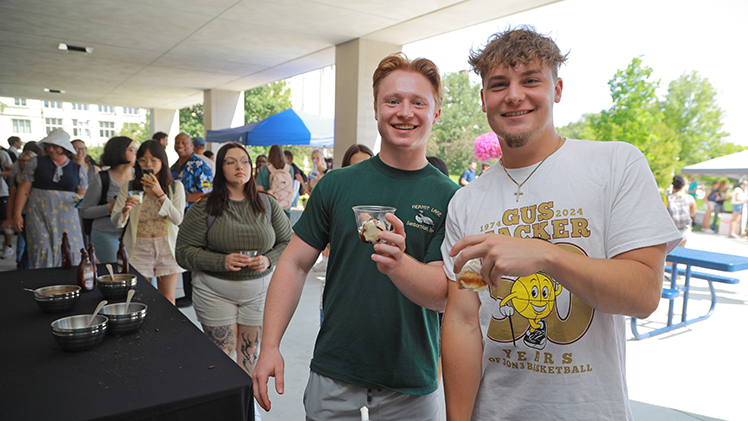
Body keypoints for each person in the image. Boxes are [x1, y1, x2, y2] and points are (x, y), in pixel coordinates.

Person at [439, 27, 682, 421]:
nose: (514, 95)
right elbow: (464, 320)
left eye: (531, 80)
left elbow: (643, 295)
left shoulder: (616, 164)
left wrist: (547, 256)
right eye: (499, 84)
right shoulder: (467, 201)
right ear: (484, 100)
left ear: (557, 89)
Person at [253, 52, 458, 420]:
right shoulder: (336, 184)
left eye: (418, 102)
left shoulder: (451, 197)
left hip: (410, 375)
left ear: (436, 113)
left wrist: (398, 265)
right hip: (335, 365)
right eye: (392, 100)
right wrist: (270, 345)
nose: (404, 112)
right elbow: (295, 264)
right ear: (377, 109)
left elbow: (444, 295)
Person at [175, 142, 292, 378]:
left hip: (258, 293)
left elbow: (288, 242)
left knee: (251, 354)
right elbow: (183, 252)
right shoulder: (204, 208)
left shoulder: (267, 204)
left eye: (245, 161)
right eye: (231, 162)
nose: (240, 166)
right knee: (222, 357)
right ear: (220, 168)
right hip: (214, 291)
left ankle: (246, 405)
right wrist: (222, 261)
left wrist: (268, 260)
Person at [111, 141, 186, 304]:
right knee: (140, 298)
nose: (148, 164)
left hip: (167, 246)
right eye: (143, 160)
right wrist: (125, 211)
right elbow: (116, 222)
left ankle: (167, 330)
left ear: (162, 162)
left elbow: (178, 219)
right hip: (138, 247)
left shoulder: (174, 187)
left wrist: (160, 194)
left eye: (153, 160)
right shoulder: (129, 186)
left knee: (167, 299)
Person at [314, 143, 374, 319]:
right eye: (355, 167)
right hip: (339, 295)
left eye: (368, 165)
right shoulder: (335, 201)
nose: (363, 172)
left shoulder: (383, 207)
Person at [13, 129, 89, 268]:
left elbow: (82, 194)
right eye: (48, 145)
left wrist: (79, 201)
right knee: (40, 247)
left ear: (65, 148)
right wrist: (17, 214)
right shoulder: (35, 162)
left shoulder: (77, 168)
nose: (50, 149)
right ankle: (44, 281)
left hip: (67, 216)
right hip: (38, 214)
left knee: (69, 247)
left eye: (55, 146)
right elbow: (24, 189)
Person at [171, 132, 213, 308]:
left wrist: (180, 198)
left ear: (191, 145)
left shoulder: (200, 166)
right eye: (177, 142)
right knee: (181, 253)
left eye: (184, 142)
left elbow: (206, 194)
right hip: (174, 218)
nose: (180, 145)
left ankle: (193, 295)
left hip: (193, 218)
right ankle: (188, 294)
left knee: (191, 255)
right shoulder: (173, 167)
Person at [79, 137, 137, 263]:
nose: (136, 153)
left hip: (135, 235)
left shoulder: (140, 176)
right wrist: (111, 207)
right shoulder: (102, 178)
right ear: (119, 152)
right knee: (116, 275)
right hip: (107, 235)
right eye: (131, 150)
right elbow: (85, 211)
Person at [2, 149, 35, 268]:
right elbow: (11, 198)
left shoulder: (40, 176)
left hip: (38, 213)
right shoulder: (16, 177)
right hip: (23, 213)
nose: (25, 163)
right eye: (22, 160)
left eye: (28, 161)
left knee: (31, 244)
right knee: (28, 243)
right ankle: (23, 267)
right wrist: (10, 218)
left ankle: (24, 267)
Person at [256, 145, 294, 214]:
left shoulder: (264, 169)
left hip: (270, 206)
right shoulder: (289, 168)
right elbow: (291, 186)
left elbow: (259, 189)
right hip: (286, 206)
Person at [666, 175, 697, 246]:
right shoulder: (690, 198)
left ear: (673, 186)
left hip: (669, 230)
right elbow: (692, 214)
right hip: (684, 229)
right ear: (683, 186)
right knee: (680, 250)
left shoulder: (665, 198)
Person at [0, 146, 13, 259]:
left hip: (1, 193)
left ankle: (8, 246)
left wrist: (1, 173)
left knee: (4, 221)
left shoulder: (2, 154)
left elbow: (12, 171)